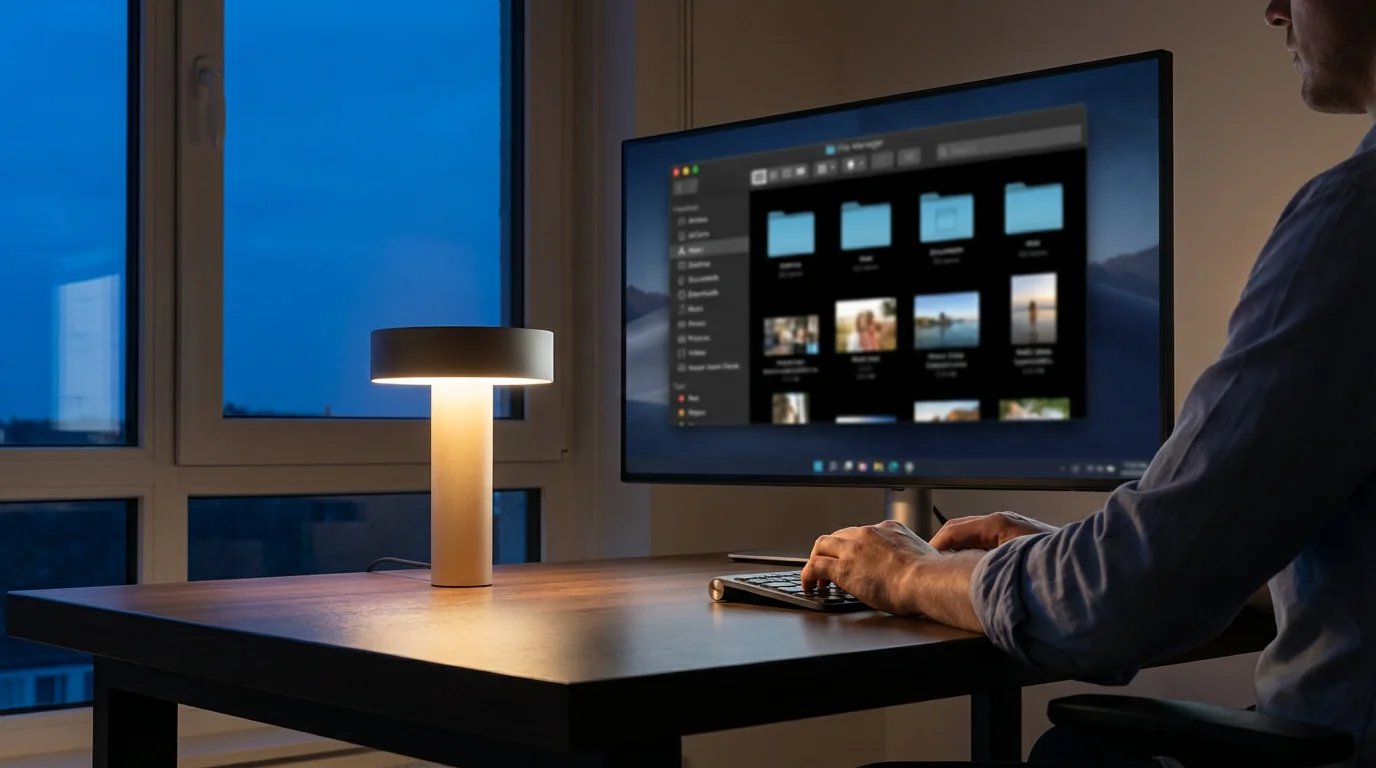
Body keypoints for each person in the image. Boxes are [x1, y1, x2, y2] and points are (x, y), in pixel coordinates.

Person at [802, 1, 1376, 763]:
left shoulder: (1356, 218)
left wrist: (912, 574)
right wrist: (1068, 560)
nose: (1274, 9)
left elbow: (1125, 602)